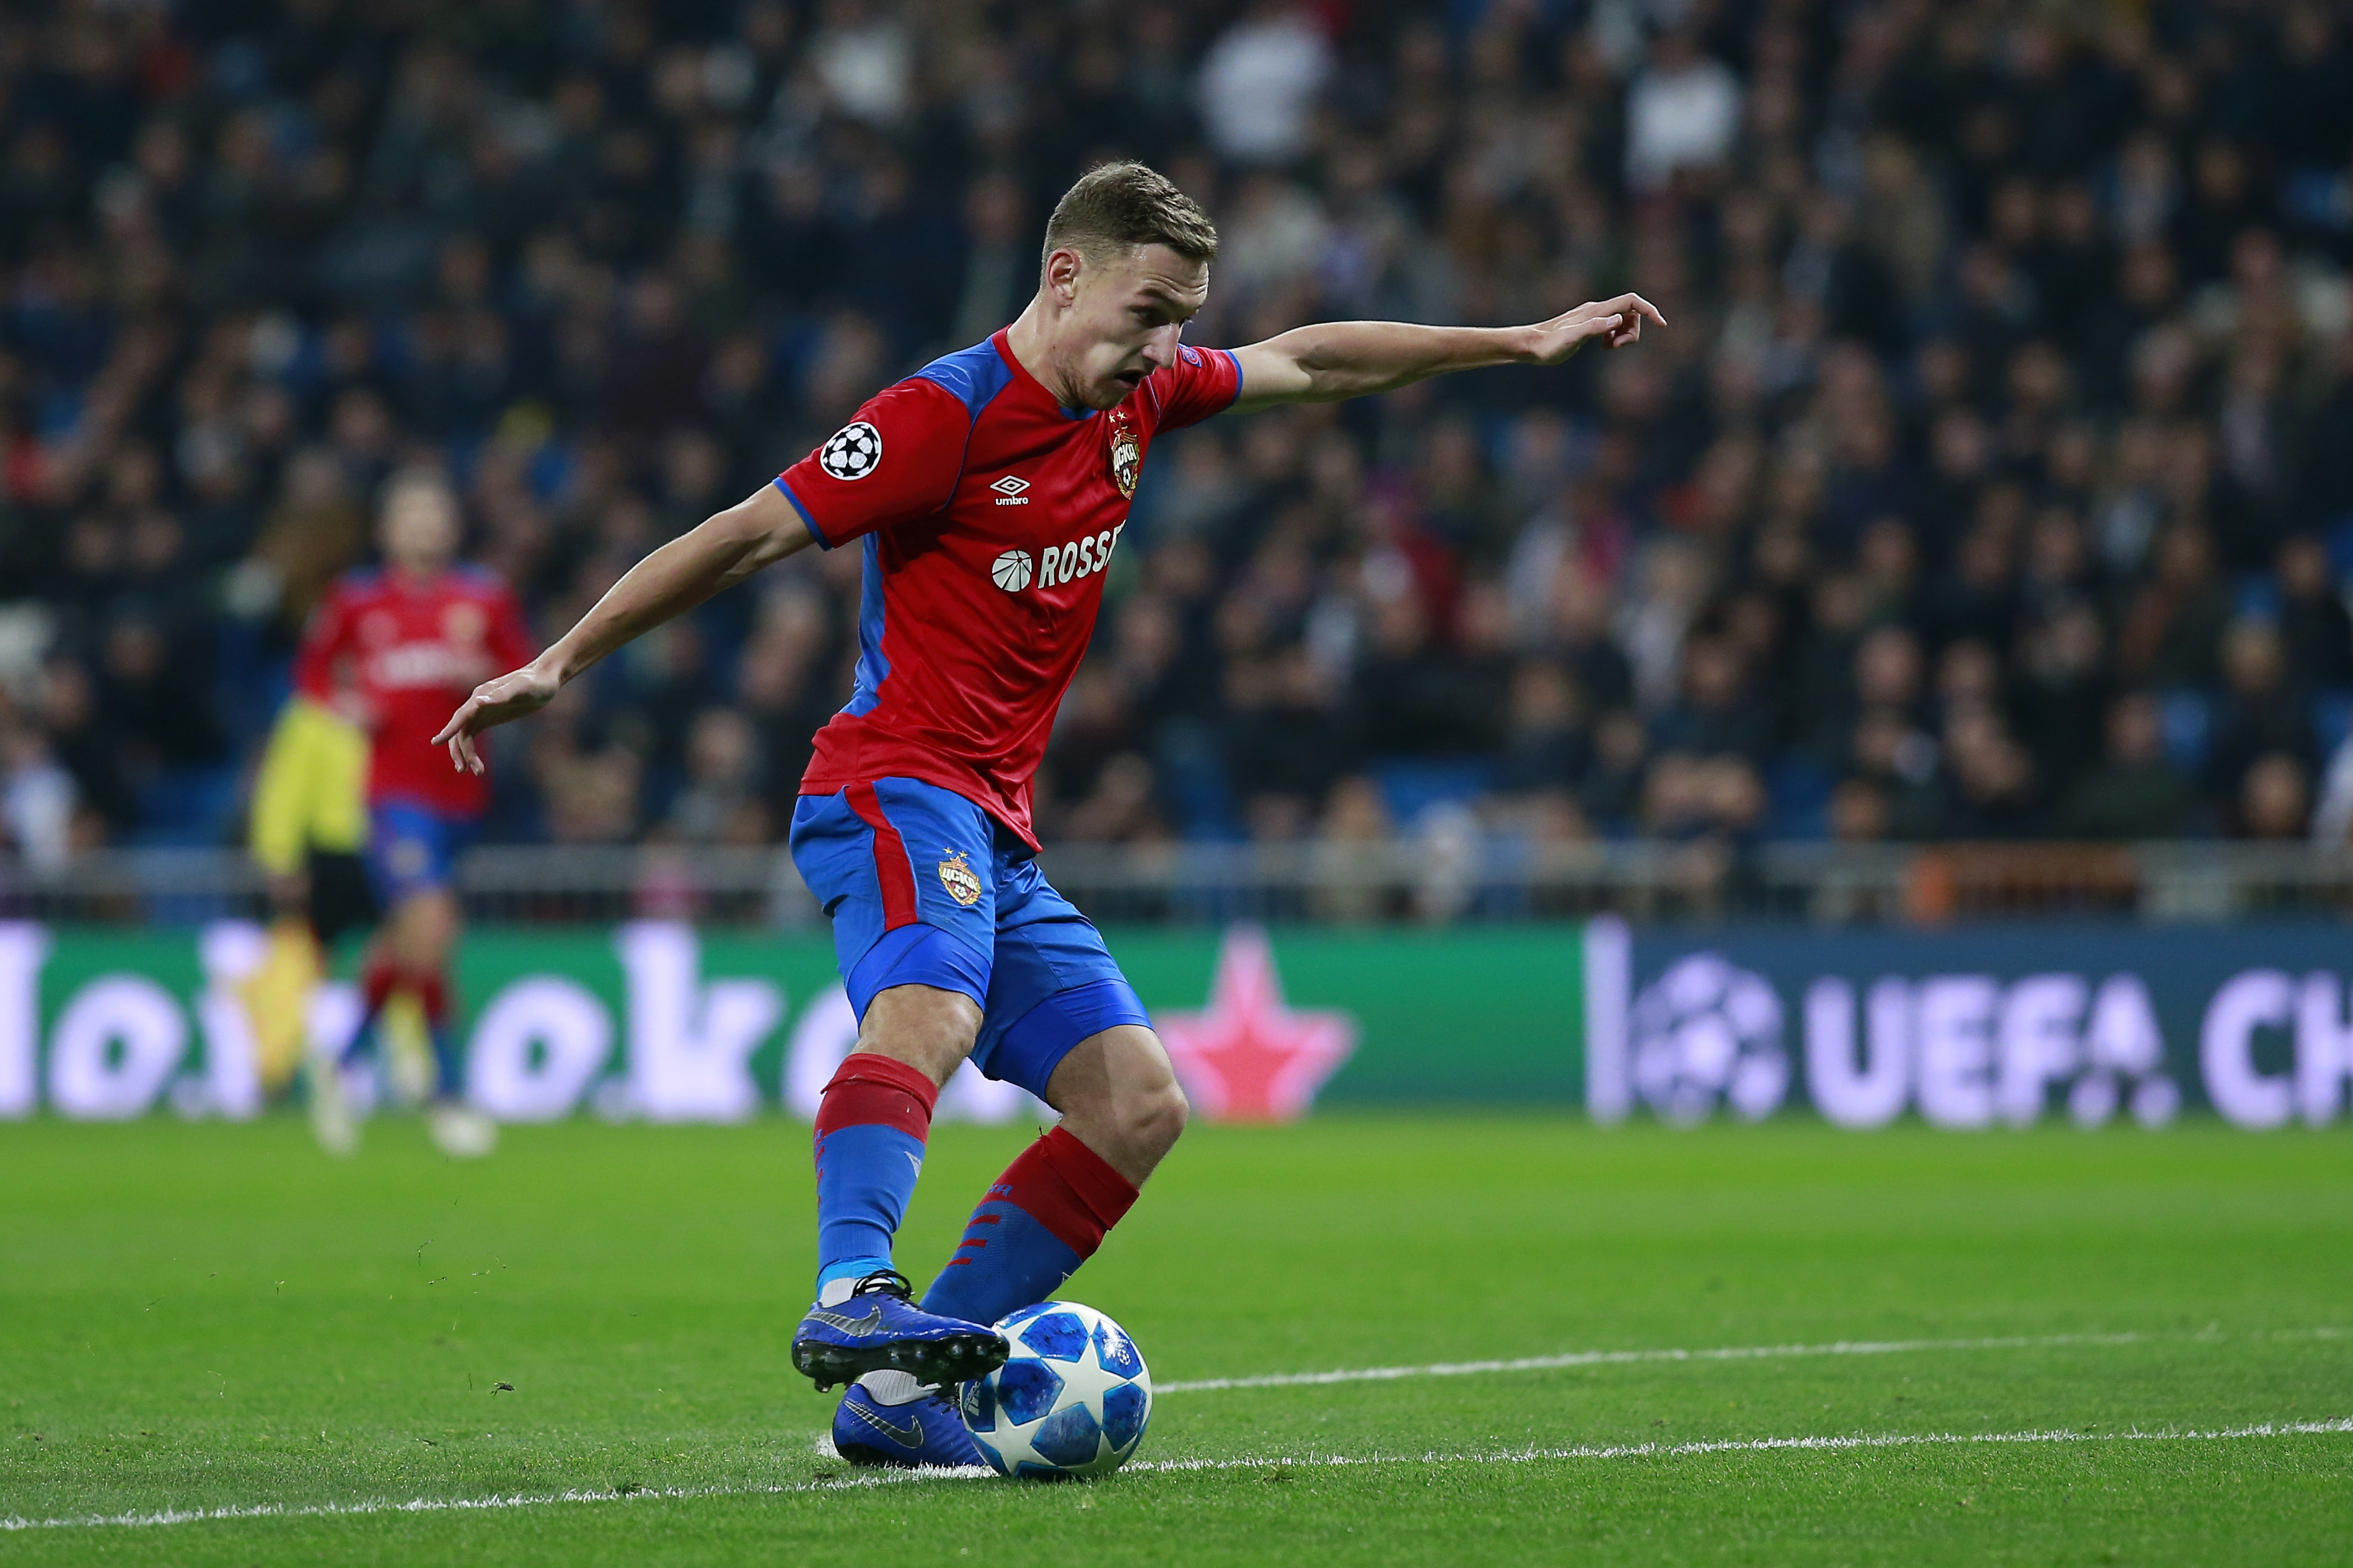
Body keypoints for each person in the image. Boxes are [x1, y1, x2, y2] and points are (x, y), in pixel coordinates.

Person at [434, 162, 1660, 1466]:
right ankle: (853, 1289)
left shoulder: (1137, 399)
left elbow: (1313, 362)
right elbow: (745, 534)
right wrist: (559, 661)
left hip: (997, 828)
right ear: (1062, 277)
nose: (1165, 346)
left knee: (1138, 1102)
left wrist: (1518, 338)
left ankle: (897, 1395)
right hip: (891, 782)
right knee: (934, 1003)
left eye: (1183, 315)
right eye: (1145, 311)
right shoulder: (940, 415)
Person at [297, 470, 535, 1158]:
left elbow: (526, 674)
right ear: (388, 529)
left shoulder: (483, 598)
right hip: (393, 796)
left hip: (464, 794)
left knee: (406, 944)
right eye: (412, 514)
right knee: (433, 927)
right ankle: (448, 1094)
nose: (425, 526)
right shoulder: (357, 600)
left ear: (452, 526)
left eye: (435, 513)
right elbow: (313, 674)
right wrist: (346, 706)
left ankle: (340, 1064)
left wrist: (484, 679)